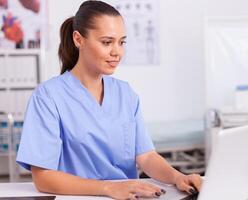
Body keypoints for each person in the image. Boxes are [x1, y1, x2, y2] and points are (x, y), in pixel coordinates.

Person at [16, 1, 202, 199]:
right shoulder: (48, 97)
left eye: (121, 42)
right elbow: (43, 177)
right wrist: (107, 188)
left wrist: (177, 177)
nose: (117, 52)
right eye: (107, 42)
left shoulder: (125, 94)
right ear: (79, 39)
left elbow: (146, 156)